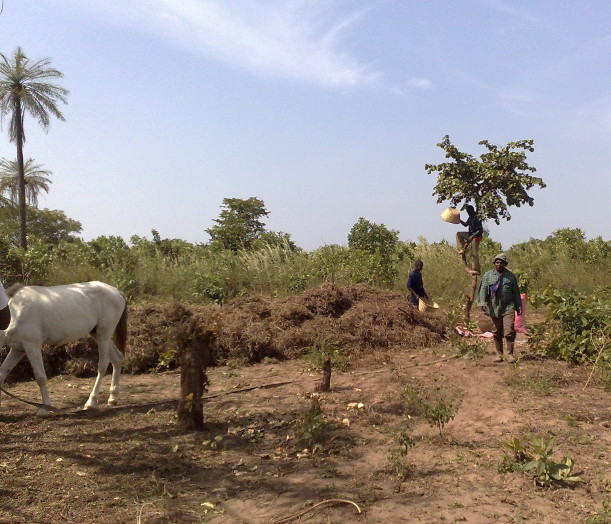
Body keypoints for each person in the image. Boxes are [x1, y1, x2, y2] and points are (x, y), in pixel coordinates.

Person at [477, 253, 522, 363]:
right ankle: (499, 354)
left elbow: (516, 292)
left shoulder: (510, 276)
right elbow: (483, 289)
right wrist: (482, 302)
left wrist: (518, 306)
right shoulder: (488, 275)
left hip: (508, 306)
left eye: (501, 262)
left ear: (505, 264)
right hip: (493, 307)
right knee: (497, 331)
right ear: (494, 263)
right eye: (497, 262)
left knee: (509, 330)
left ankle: (510, 354)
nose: (499, 264)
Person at [457, 204, 483, 274]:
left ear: (472, 210)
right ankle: (464, 249)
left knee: (474, 253)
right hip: (470, 235)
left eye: (468, 211)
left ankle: (476, 269)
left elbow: (480, 230)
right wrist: (459, 220)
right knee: (458, 234)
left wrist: (472, 236)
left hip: (476, 236)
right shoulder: (470, 217)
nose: (468, 213)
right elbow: (466, 224)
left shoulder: (476, 217)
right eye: (467, 212)